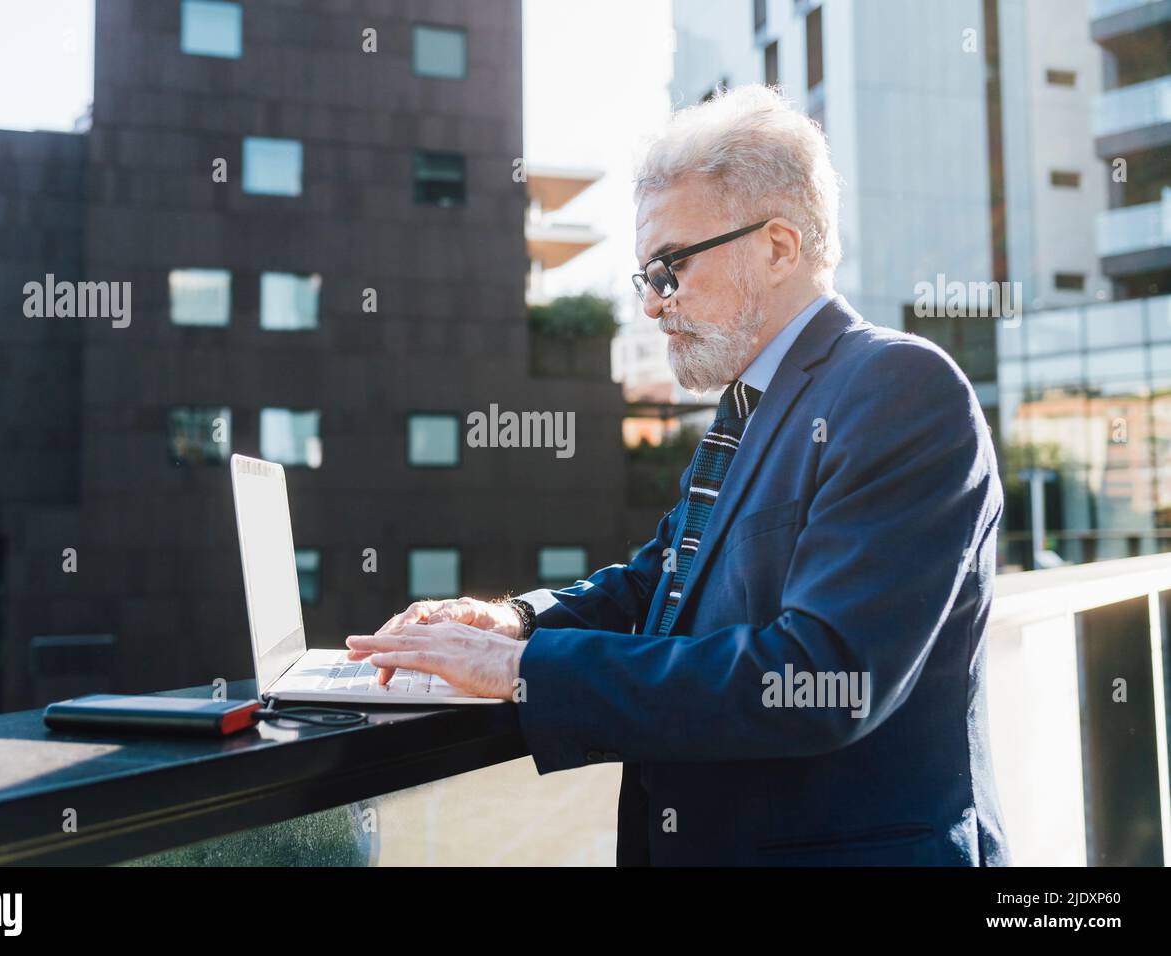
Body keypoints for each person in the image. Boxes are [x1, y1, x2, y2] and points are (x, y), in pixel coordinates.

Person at [347, 84, 1009, 866]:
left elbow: (823, 677)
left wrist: (524, 670)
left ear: (778, 248)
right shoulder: (752, 406)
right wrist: (516, 622)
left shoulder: (901, 389)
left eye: (670, 268)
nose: (654, 307)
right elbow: (658, 581)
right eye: (646, 279)